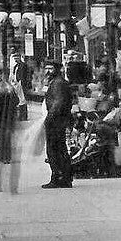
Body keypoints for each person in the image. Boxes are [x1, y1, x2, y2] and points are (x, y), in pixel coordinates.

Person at [42, 60, 74, 188]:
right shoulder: (57, 82)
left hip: (56, 121)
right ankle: (64, 177)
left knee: (54, 149)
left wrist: (49, 118)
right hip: (58, 120)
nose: (47, 71)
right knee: (60, 148)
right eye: (46, 68)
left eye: (50, 69)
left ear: (57, 70)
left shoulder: (58, 84)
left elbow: (58, 103)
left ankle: (58, 177)